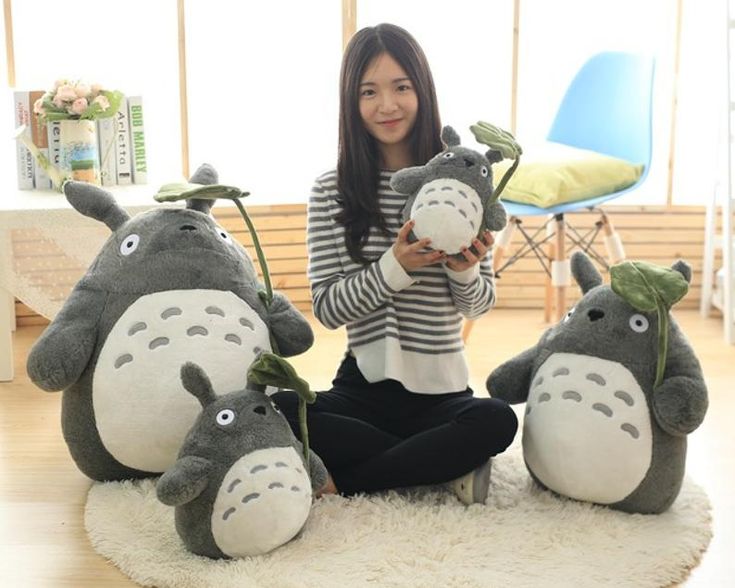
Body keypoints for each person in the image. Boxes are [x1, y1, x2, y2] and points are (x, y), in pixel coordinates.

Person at [272, 23, 517, 505]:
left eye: (401, 87)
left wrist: (465, 269)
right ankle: (439, 467)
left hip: (443, 394)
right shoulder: (331, 191)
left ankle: (348, 481)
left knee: (498, 420)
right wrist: (395, 266)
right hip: (362, 389)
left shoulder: (462, 183)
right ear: (352, 103)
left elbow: (478, 305)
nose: (387, 105)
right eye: (369, 92)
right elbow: (326, 308)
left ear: (422, 91)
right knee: (278, 409)